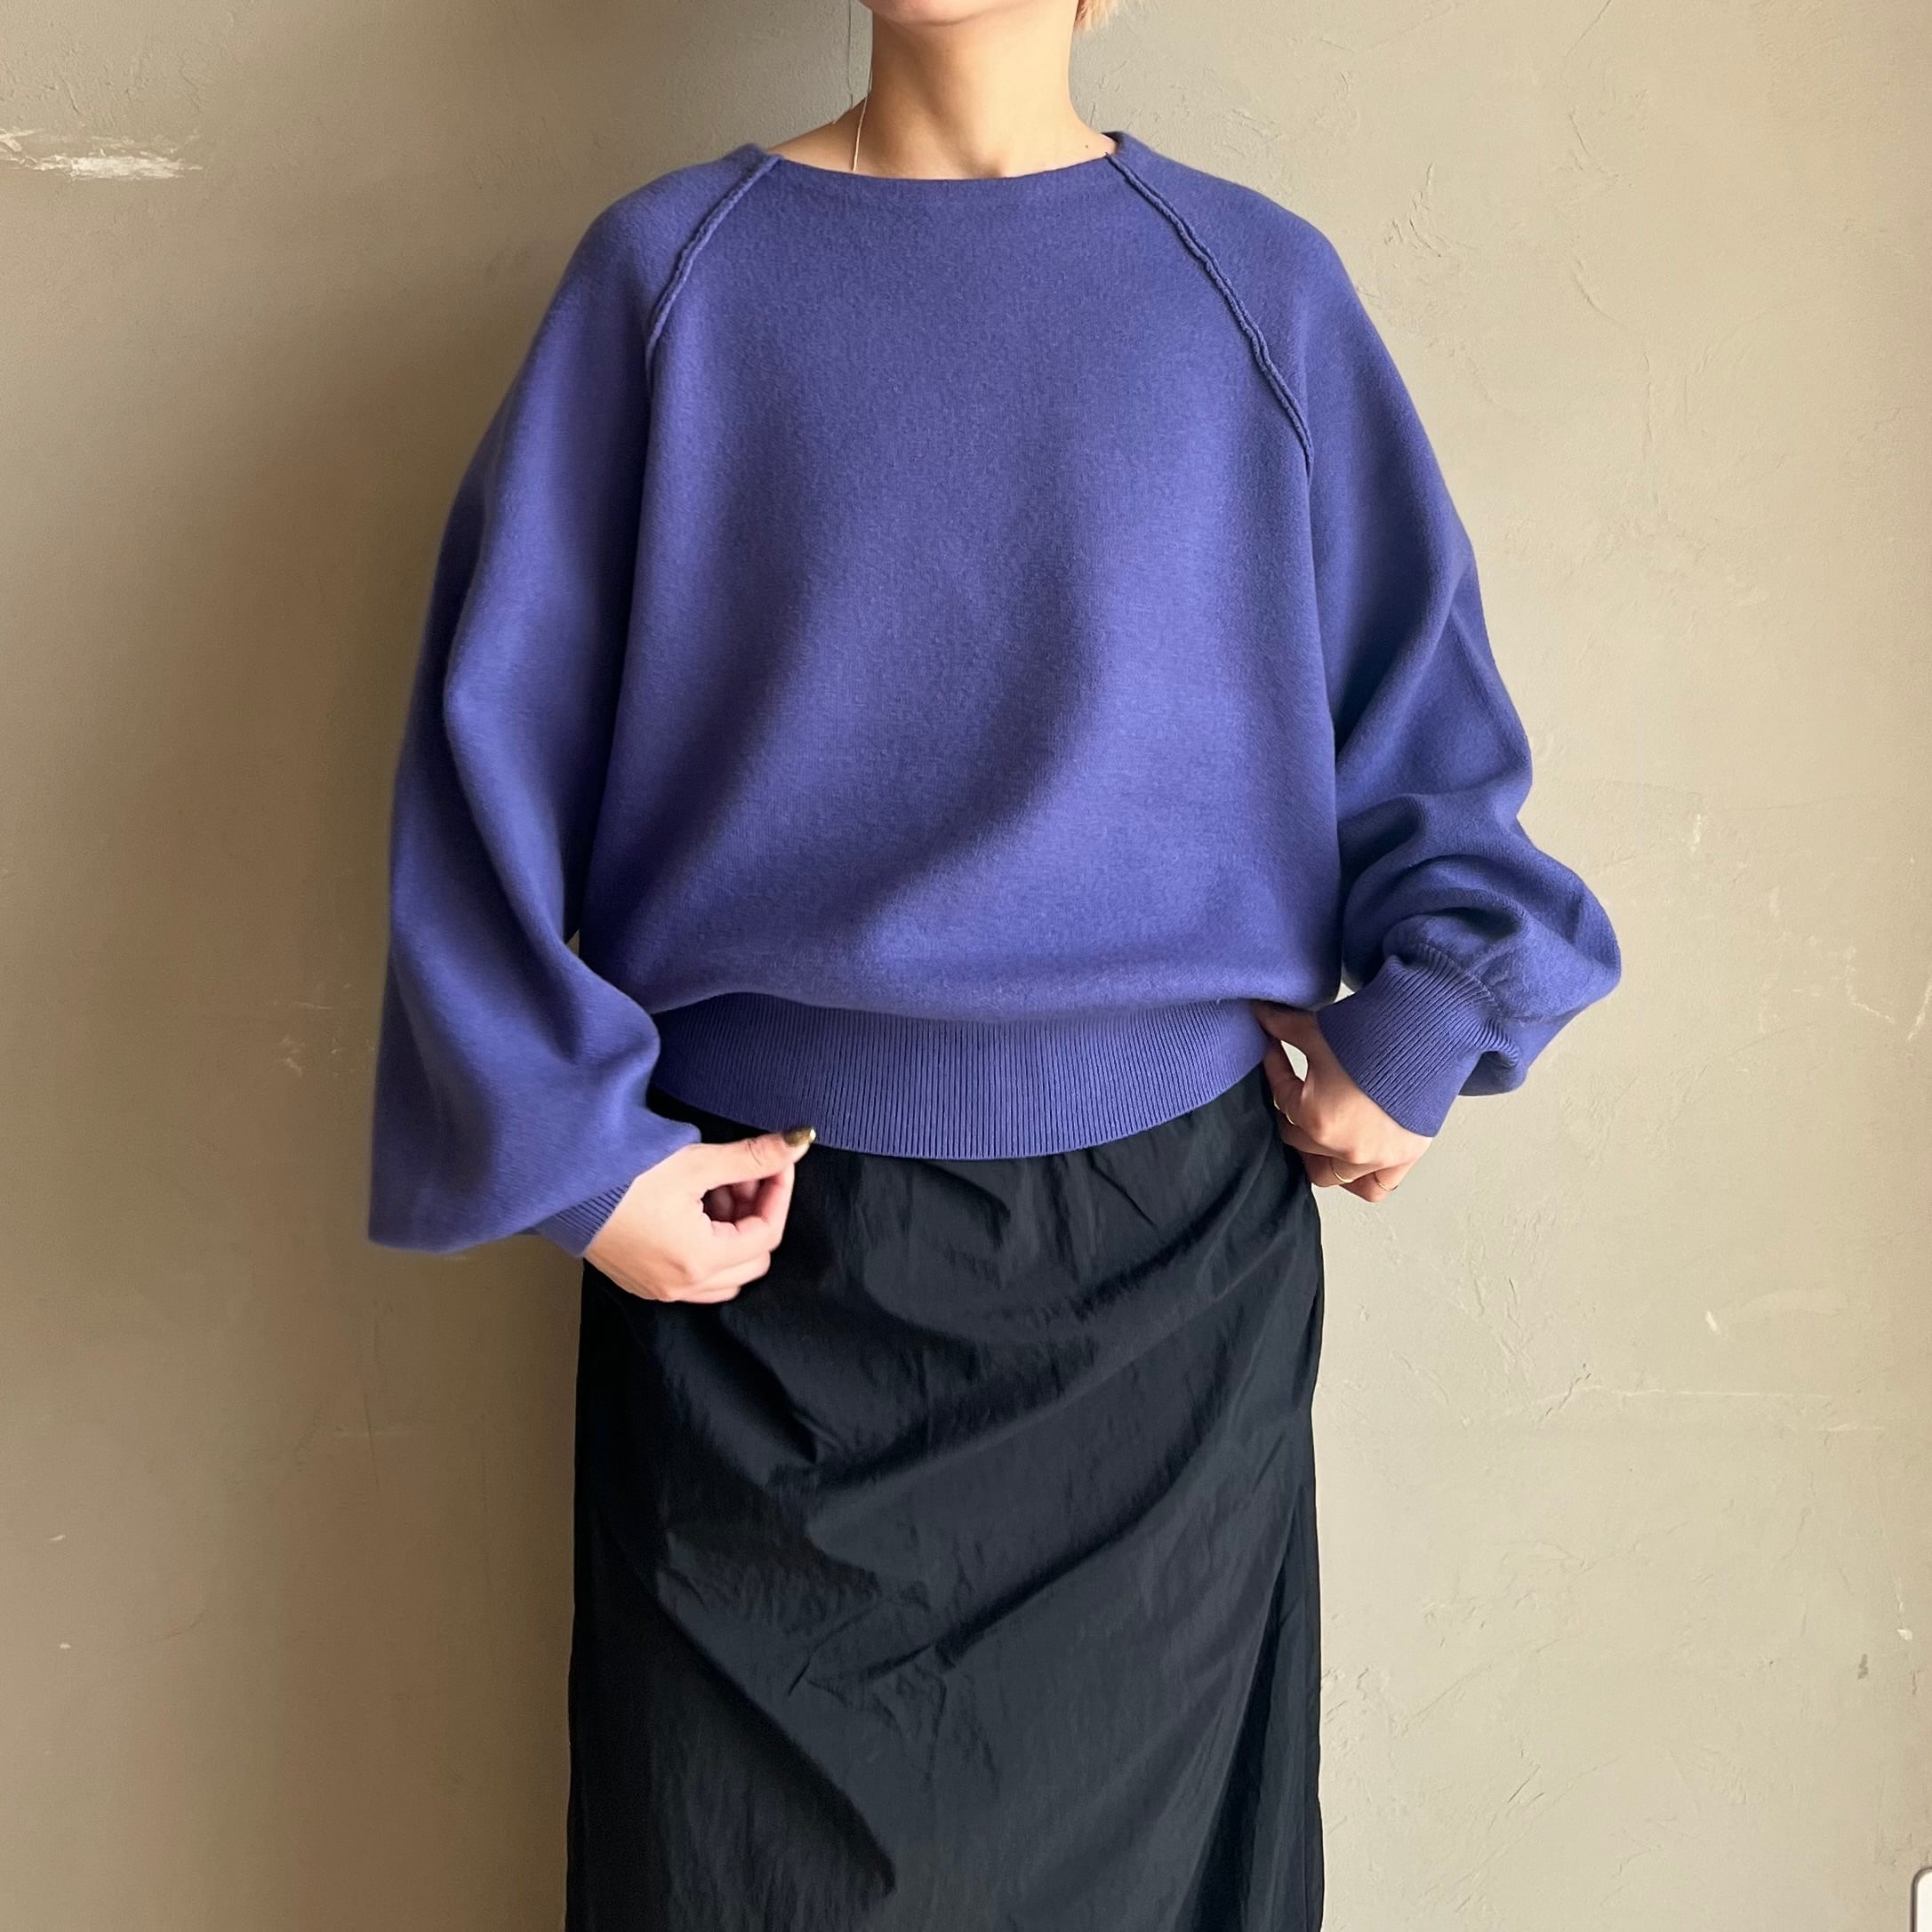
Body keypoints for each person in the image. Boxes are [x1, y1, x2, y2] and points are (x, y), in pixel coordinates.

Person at [365, 1, 1623, 1924]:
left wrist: (1430, 1021)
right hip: (763, 1271)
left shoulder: (1256, 286)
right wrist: (573, 1148)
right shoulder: (668, 275)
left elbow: (1421, 717)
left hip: (1164, 1279)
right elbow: (490, 738)